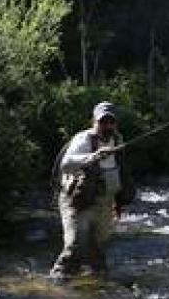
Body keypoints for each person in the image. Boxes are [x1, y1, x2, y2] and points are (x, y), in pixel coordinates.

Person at [50, 101, 135, 278]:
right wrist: (92, 157)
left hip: (104, 202)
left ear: (115, 123)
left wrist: (119, 203)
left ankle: (97, 279)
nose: (107, 126)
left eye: (110, 122)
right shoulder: (83, 140)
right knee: (75, 244)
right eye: (102, 122)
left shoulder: (118, 140)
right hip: (77, 200)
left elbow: (121, 173)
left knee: (97, 245)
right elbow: (66, 165)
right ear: (93, 122)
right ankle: (57, 280)